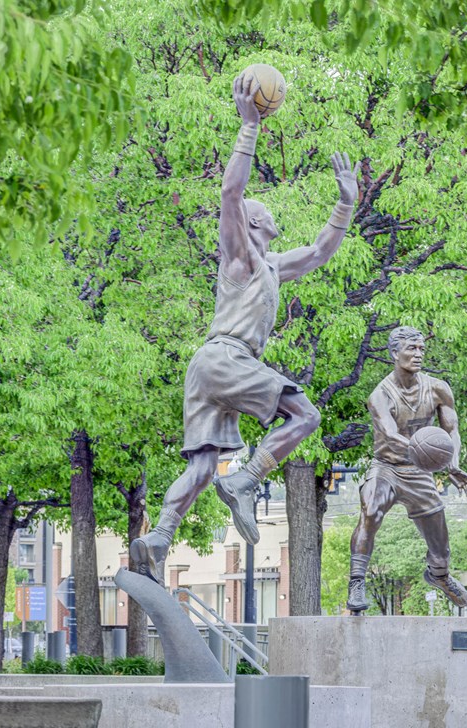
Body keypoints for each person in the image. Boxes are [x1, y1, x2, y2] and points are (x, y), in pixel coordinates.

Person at [130, 73, 360, 585]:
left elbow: (322, 251)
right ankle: (248, 482)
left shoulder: (274, 266)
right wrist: (248, 128)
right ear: (255, 223)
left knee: (203, 467)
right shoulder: (240, 257)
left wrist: (345, 203)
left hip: (210, 368)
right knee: (305, 415)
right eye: (264, 212)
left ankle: (160, 535)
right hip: (227, 358)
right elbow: (230, 191)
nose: (269, 213)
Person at [347, 326, 467, 613]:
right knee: (371, 509)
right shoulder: (380, 395)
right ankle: (357, 580)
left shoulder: (438, 388)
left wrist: (451, 460)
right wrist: (430, 455)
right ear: (394, 353)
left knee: (440, 545)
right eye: (411, 349)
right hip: (387, 467)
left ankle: (439, 576)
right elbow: (391, 435)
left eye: (421, 349)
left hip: (419, 472)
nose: (418, 354)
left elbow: (452, 430)